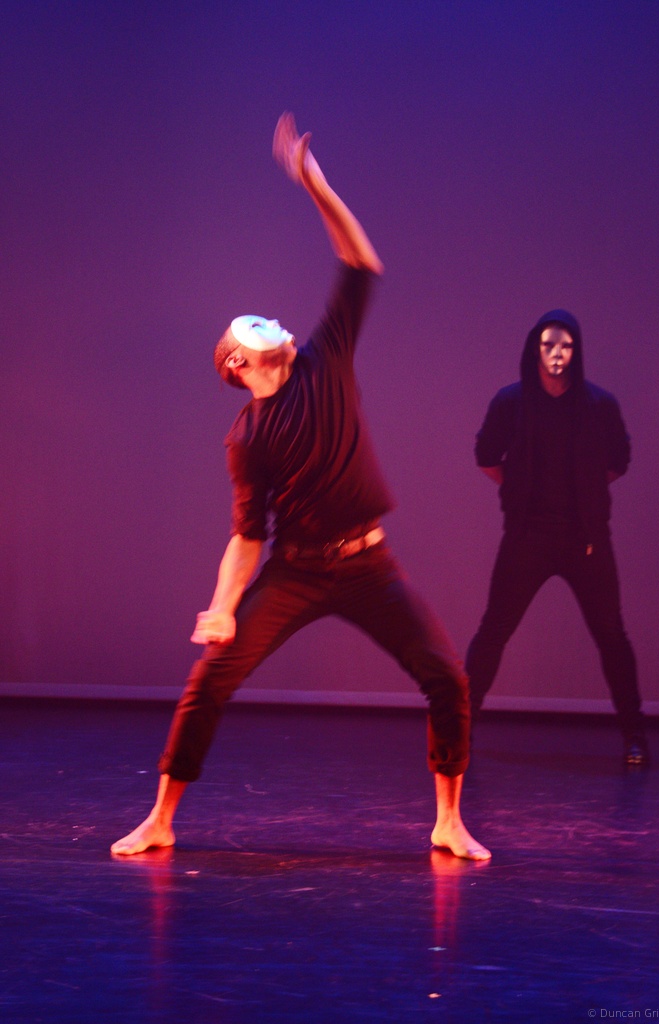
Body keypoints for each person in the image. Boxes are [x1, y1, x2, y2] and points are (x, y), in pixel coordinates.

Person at [111, 113, 490, 860]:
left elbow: (360, 263)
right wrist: (223, 608)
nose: (274, 325)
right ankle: (160, 818)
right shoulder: (247, 438)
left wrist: (316, 186)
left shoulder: (325, 358)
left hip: (370, 564)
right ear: (237, 364)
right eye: (253, 330)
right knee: (211, 680)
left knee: (447, 676)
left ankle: (448, 819)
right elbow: (247, 535)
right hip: (298, 571)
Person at [465, 310, 648, 767]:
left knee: (611, 635)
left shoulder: (598, 404)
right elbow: (486, 455)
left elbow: (619, 460)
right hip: (528, 536)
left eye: (565, 346)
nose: (557, 354)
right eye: (548, 345)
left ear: (576, 351)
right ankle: (459, 729)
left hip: (586, 539)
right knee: (493, 631)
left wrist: (585, 493)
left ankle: (635, 737)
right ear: (535, 348)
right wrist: (518, 490)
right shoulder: (512, 402)